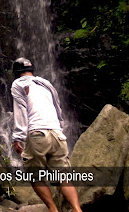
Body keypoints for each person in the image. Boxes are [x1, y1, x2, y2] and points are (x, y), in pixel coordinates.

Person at [11, 57, 82, 212]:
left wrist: (18, 137)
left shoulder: (18, 84)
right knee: (63, 177)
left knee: (34, 175)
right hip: (57, 133)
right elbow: (58, 109)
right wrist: (59, 129)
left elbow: (21, 110)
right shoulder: (46, 84)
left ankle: (52, 209)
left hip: (37, 133)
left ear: (16, 72)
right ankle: (77, 210)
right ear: (32, 70)